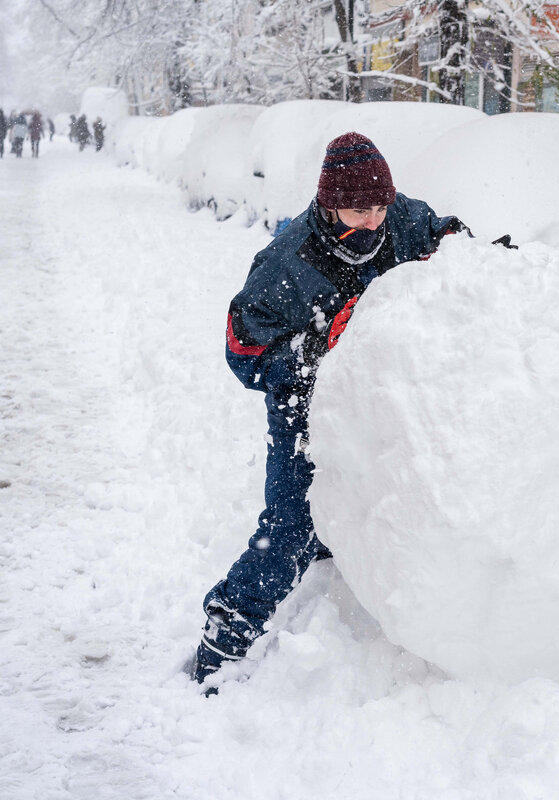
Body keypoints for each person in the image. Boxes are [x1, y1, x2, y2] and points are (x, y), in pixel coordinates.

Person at [190, 132, 468, 689]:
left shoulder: (404, 221)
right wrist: (311, 353)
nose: (372, 221)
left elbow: (447, 246)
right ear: (327, 203)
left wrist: (472, 256)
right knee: (290, 528)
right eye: (358, 209)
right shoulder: (286, 264)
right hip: (303, 408)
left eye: (379, 206)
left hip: (383, 395)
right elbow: (243, 355)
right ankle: (227, 630)